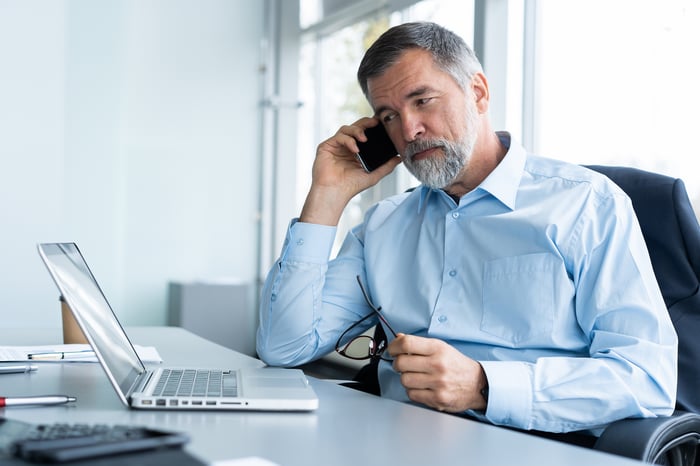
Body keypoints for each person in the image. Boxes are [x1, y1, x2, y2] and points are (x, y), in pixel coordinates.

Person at [256, 21, 677, 435]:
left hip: (534, 445)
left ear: (478, 92)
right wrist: (327, 196)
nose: (409, 131)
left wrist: (483, 385)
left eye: (423, 101)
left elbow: (646, 378)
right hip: (395, 443)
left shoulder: (587, 205)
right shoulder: (383, 226)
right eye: (388, 116)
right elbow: (284, 346)